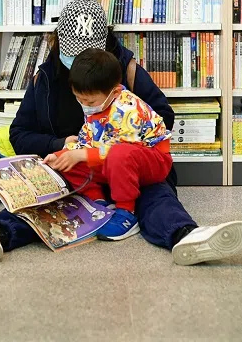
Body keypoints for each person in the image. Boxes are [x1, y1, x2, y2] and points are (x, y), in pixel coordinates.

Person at [0, 0, 242, 265]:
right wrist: (61, 144)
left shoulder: (124, 72)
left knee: (157, 197)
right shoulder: (46, 78)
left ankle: (188, 236)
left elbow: (164, 120)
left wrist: (116, 145)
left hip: (130, 168)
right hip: (78, 170)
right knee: (48, 206)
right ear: (58, 43)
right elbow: (19, 133)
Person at [44, 47, 174, 240]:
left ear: (113, 92)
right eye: (79, 100)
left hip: (152, 160)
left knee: (117, 154)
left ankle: (126, 212)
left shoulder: (128, 108)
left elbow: (120, 151)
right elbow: (87, 142)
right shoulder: (98, 106)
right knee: (66, 159)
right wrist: (62, 154)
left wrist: (81, 154)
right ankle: (98, 201)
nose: (84, 105)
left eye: (89, 101)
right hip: (114, 160)